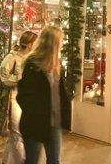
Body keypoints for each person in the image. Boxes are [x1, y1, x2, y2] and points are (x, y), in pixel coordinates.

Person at [17, 26, 71, 164]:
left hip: (54, 124)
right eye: (61, 41)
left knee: (54, 160)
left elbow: (60, 95)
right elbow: (23, 95)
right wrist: (35, 113)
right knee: (32, 160)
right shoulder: (33, 64)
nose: (63, 44)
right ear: (52, 43)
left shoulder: (56, 66)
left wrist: (65, 118)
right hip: (35, 123)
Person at [0, 31, 38, 164]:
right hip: (14, 97)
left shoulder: (31, 58)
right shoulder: (12, 57)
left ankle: (5, 161)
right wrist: (20, 80)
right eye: (35, 43)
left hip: (25, 98)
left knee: (15, 133)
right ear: (30, 44)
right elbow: (2, 77)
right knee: (17, 132)